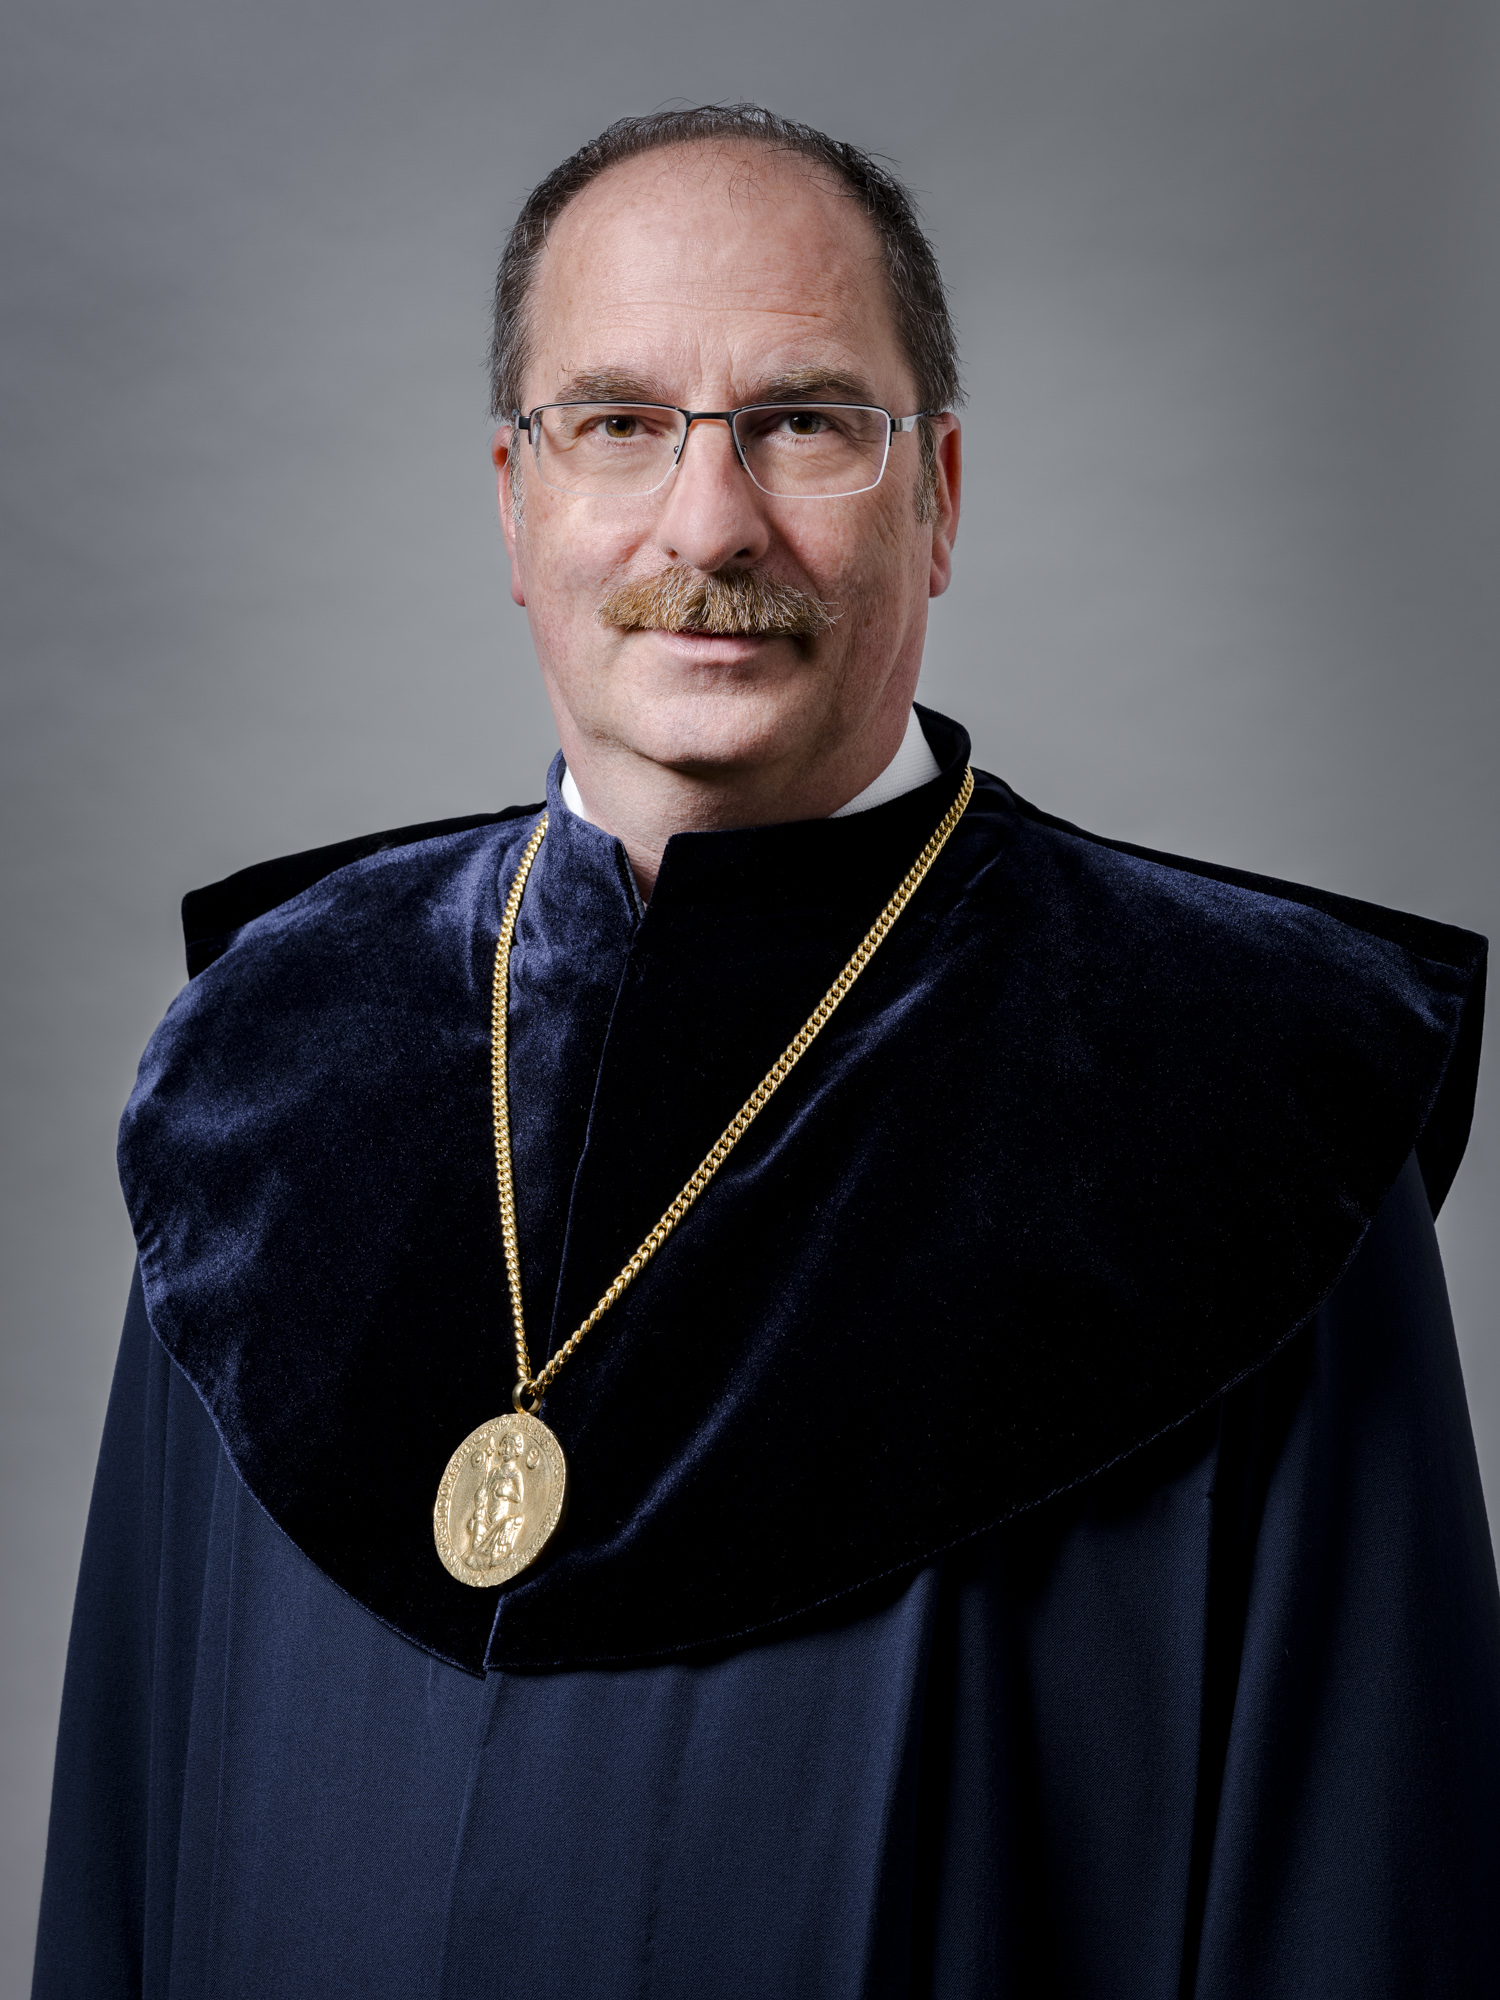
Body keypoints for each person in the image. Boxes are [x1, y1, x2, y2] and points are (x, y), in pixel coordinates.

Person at [32, 104, 1499, 1999]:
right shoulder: (267, 1067)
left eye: (803, 421)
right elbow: (123, 1872)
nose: (708, 522)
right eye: (617, 423)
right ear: (513, 501)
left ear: (938, 495)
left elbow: (1362, 1914)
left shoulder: (1254, 1102)